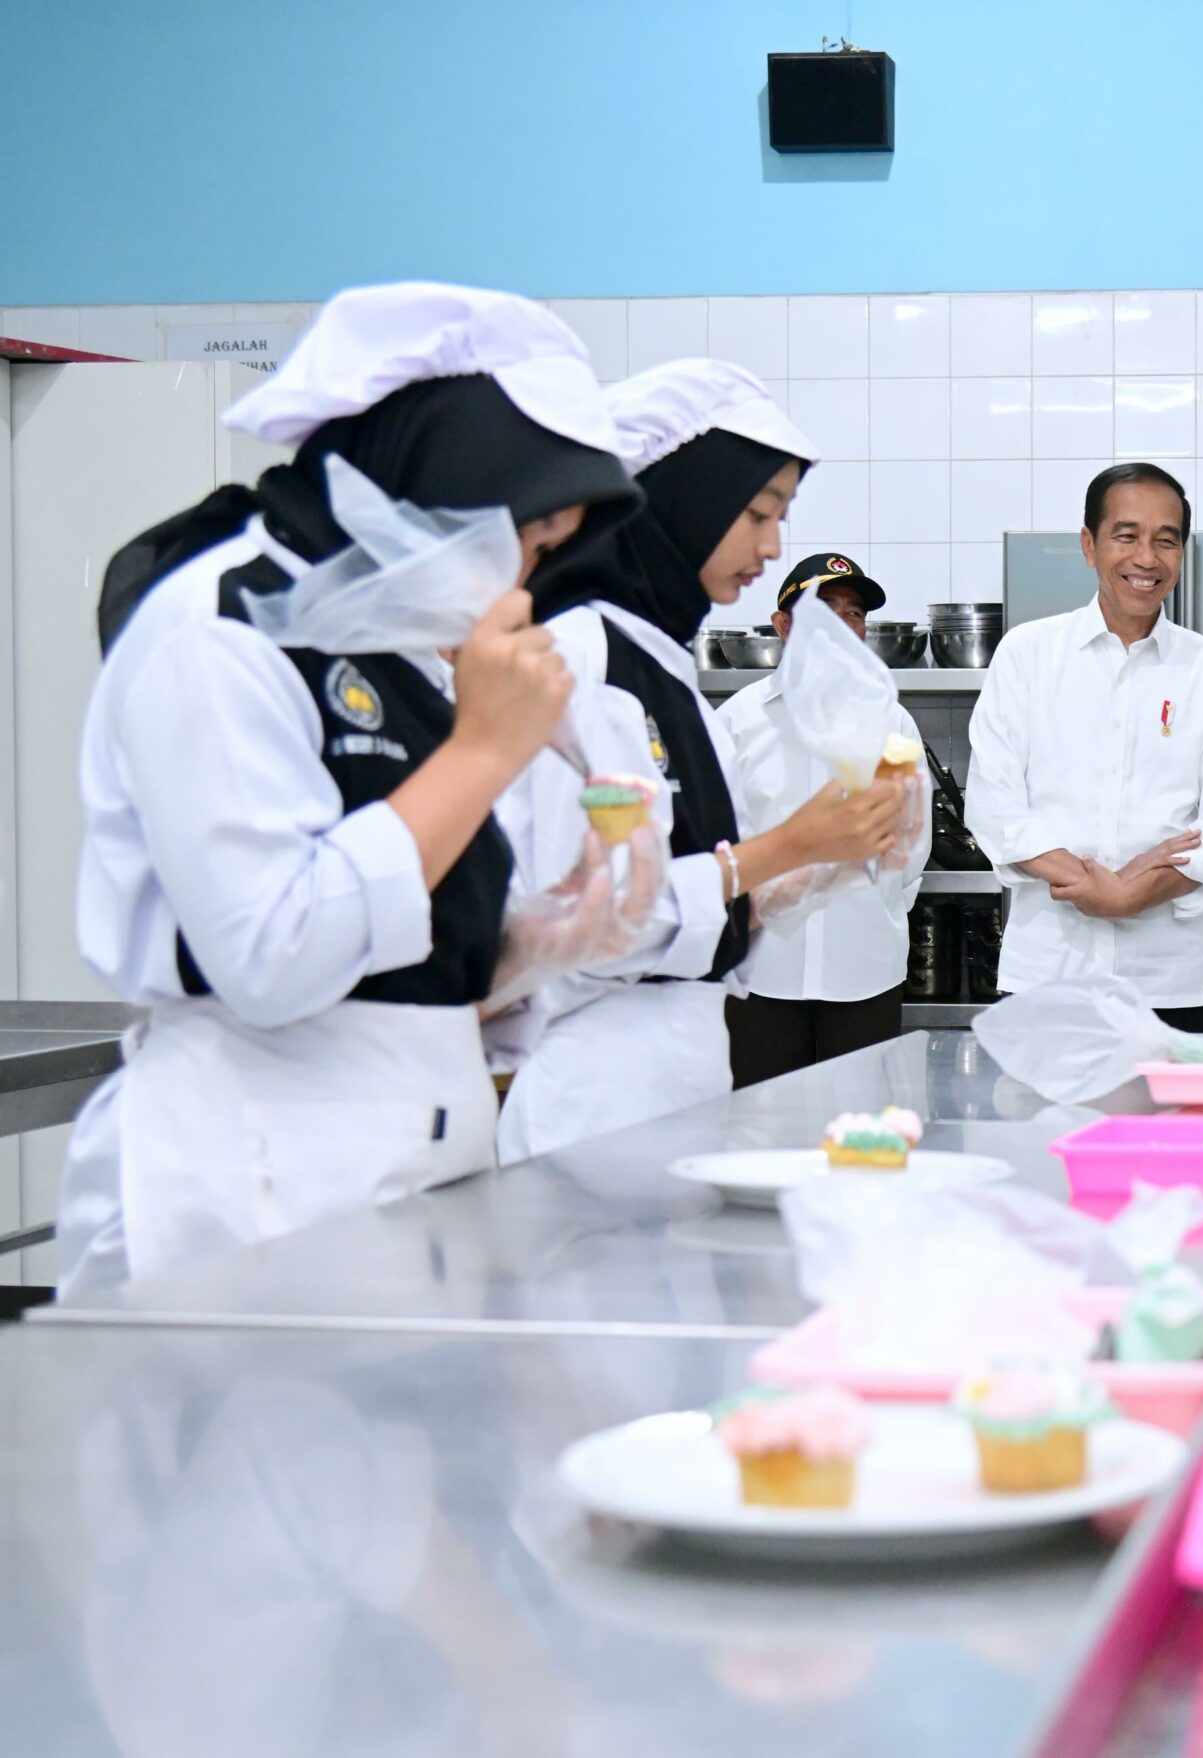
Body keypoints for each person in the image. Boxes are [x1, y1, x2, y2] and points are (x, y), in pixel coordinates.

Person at [58, 284, 644, 1291]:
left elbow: (400, 950)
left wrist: (532, 948)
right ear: (454, 479)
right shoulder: (216, 630)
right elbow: (271, 959)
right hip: (249, 1186)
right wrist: (480, 754)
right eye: (533, 541)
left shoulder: (400, 650)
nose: (527, 582)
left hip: (408, 1170)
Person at [495, 361, 909, 1161]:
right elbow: (560, 923)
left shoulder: (667, 673)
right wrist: (792, 845)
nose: (772, 545)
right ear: (679, 498)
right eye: (755, 512)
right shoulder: (576, 661)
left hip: (675, 1090)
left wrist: (837, 856)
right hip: (586, 1104)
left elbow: (704, 905)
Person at [965, 463, 1203, 1032]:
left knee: (1167, 1123)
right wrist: (1110, 887)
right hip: (1048, 973)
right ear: (1089, 545)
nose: (1146, 557)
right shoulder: (1027, 654)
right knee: (1047, 1124)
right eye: (1126, 535)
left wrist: (1124, 899)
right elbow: (996, 810)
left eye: (1165, 540)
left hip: (1171, 978)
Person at [717, 551, 926, 1085]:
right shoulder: (739, 720)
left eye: (853, 614)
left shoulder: (892, 721)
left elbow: (912, 842)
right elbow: (716, 841)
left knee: (859, 1135)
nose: (842, 626)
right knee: (762, 1136)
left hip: (865, 968)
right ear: (784, 625)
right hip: (761, 971)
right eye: (823, 611)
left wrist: (877, 906)